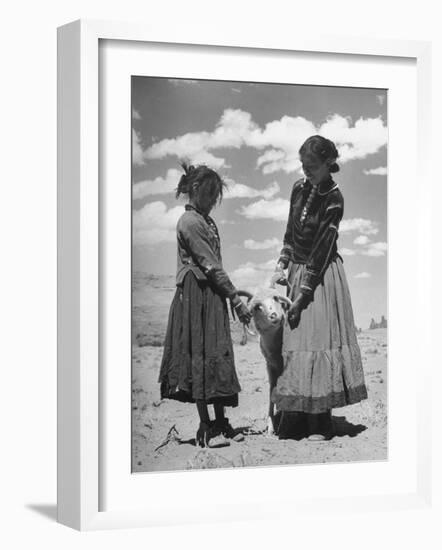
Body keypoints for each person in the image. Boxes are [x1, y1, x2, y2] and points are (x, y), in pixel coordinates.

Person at [271, 135, 368, 441]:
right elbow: (289, 231)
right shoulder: (298, 188)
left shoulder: (334, 198)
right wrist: (281, 265)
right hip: (297, 271)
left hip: (321, 277)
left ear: (328, 163)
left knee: (317, 342)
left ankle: (320, 421)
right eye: (303, 165)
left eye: (311, 166)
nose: (306, 171)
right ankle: (296, 417)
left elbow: (323, 248)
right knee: (295, 346)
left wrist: (302, 296)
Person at [158, 163, 252, 448]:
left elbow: (215, 265)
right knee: (199, 355)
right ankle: (205, 427)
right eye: (211, 195)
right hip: (196, 296)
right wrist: (234, 297)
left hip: (211, 295)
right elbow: (209, 265)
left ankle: (221, 422)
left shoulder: (206, 221)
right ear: (196, 190)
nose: (213, 202)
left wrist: (231, 292)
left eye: (216, 198)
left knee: (217, 353)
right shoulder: (190, 222)